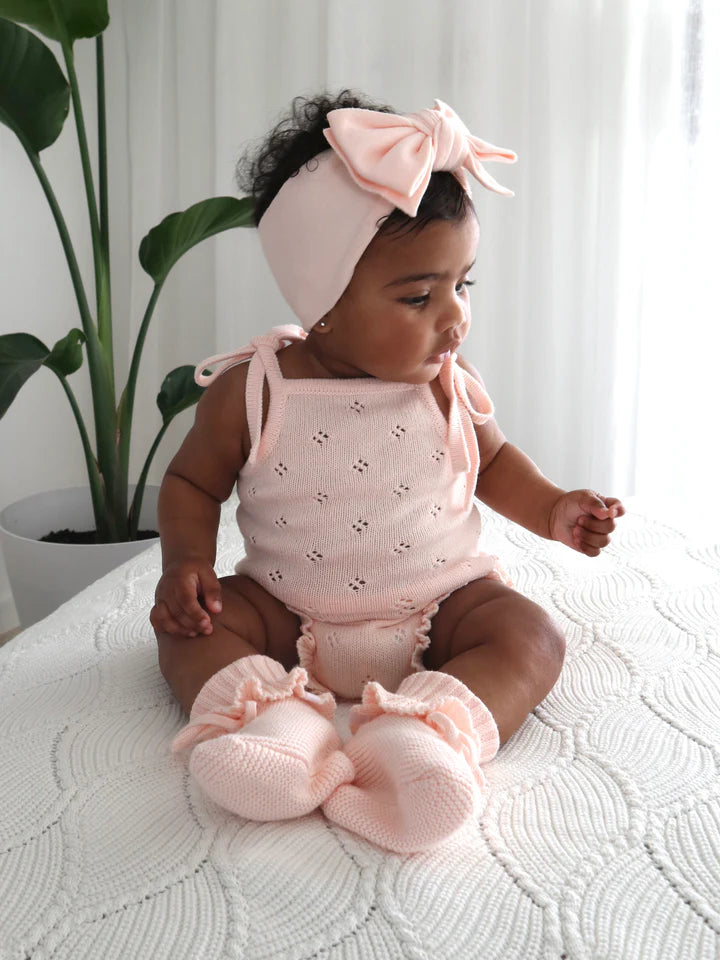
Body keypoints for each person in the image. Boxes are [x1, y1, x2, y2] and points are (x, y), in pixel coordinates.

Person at [152, 91, 624, 854]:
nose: (456, 317)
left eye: (464, 284)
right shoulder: (257, 388)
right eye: (419, 295)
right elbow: (191, 484)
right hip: (285, 611)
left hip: (440, 608)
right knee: (187, 631)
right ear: (324, 298)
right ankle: (273, 724)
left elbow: (495, 463)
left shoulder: (444, 380)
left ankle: (425, 738)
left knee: (531, 635)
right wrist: (187, 566)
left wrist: (556, 510)